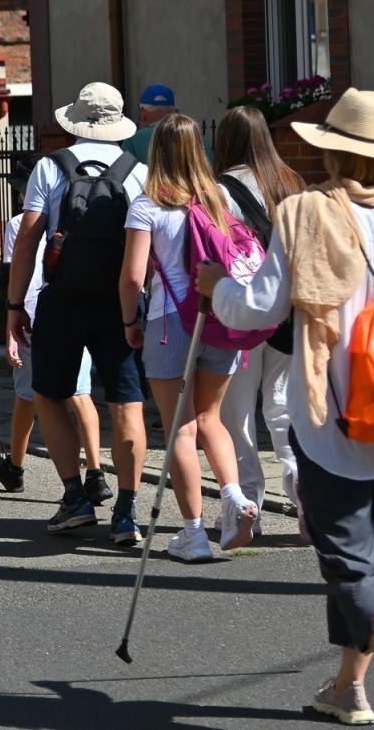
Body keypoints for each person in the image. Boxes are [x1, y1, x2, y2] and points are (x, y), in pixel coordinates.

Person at [197, 88, 374, 729]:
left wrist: (217, 290)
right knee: (365, 559)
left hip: (329, 416)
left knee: (346, 562)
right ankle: (348, 690)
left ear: (334, 151)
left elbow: (260, 306)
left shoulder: (310, 212)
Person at [6, 82, 149, 543]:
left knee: (48, 393)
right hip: (120, 302)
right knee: (126, 403)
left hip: (63, 299)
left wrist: (14, 306)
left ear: (77, 120)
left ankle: (74, 498)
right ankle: (126, 511)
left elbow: (28, 238)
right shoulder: (139, 172)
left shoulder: (50, 167)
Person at [119, 113, 255, 561]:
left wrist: (128, 321)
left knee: (181, 425)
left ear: (156, 151)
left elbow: (133, 277)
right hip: (218, 316)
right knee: (213, 418)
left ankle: (194, 532)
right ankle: (234, 498)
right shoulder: (220, 200)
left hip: (168, 323)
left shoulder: (147, 206)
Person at [0, 153, 108, 501]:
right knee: (81, 392)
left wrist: (12, 316)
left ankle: (15, 466)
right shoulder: (78, 217)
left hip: (35, 312)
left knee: (28, 394)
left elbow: (18, 271)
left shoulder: (17, 224)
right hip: (76, 303)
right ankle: (96, 472)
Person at [213, 105, 306, 524]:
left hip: (244, 310)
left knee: (237, 413)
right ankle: (301, 480)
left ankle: (246, 500)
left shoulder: (219, 190)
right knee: (284, 404)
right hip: (288, 311)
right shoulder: (292, 183)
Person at [123, 84, 178, 164]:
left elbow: (121, 172)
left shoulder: (133, 140)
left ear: (143, 111)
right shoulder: (188, 135)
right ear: (173, 111)